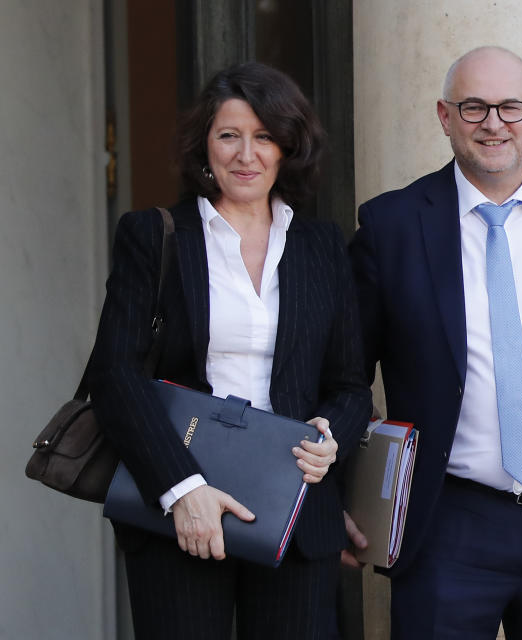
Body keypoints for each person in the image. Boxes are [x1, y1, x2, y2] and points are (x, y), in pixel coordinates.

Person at [347, 46, 522, 639]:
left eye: (511, 107)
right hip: (449, 525)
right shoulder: (392, 226)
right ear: (444, 115)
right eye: (474, 107)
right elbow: (346, 375)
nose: (494, 123)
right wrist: (357, 492)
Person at [88, 62, 371, 639]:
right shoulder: (154, 235)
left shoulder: (321, 246)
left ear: (288, 148)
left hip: (294, 504)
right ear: (204, 148)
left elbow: (350, 386)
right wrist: (182, 491)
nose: (247, 154)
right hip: (181, 503)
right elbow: (115, 375)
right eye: (229, 135)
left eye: (265, 136)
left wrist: (331, 439)